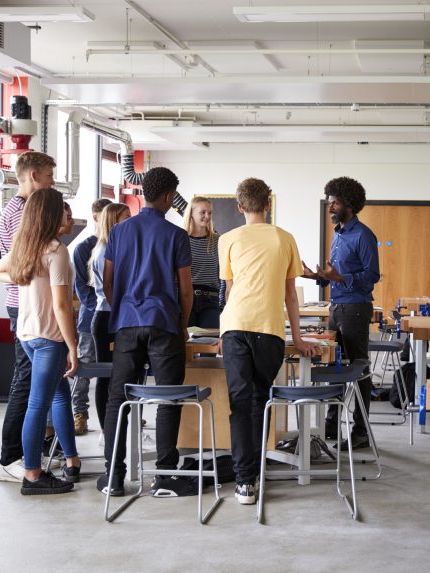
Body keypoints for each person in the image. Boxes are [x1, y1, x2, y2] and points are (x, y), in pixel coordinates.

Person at [219, 177, 317, 505]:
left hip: (235, 327)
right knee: (259, 401)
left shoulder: (229, 240)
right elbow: (291, 295)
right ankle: (255, 473)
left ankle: (244, 481)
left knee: (239, 403)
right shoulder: (285, 238)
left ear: (240, 207)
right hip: (269, 331)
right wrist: (299, 337)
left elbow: (231, 292)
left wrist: (223, 331)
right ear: (268, 204)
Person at [99, 167, 193, 496]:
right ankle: (164, 477)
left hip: (126, 323)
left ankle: (113, 477)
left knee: (117, 400)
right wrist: (181, 327)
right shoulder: (177, 236)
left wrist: (123, 308)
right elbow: (185, 291)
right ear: (168, 197)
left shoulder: (120, 232)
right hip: (164, 323)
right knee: (168, 398)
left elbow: (107, 281)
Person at [0, 188, 82, 495]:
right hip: (48, 337)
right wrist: (72, 345)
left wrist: (21, 277)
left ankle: (71, 460)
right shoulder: (56, 251)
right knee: (38, 404)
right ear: (51, 215)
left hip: (28, 334)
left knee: (57, 397)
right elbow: (61, 306)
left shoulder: (27, 247)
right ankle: (32, 474)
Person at [302, 177, 380, 450]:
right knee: (335, 366)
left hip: (356, 309)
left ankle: (360, 433)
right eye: (328, 201)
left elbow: (371, 277)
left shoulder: (363, 235)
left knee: (358, 369)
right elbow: (336, 276)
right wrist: (319, 277)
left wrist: (341, 277)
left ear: (349, 203)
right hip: (336, 308)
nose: (329, 206)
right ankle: (332, 427)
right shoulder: (339, 233)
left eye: (334, 202)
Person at [0, 151, 57, 483]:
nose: (51, 181)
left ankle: (35, 447)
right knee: (25, 381)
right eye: (49, 176)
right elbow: (18, 265)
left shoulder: (19, 210)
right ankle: (11, 457)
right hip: (25, 304)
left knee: (37, 383)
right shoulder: (22, 213)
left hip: (26, 302)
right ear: (33, 175)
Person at [70, 198, 112, 435]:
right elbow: (82, 289)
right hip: (91, 319)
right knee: (86, 365)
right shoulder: (83, 248)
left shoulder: (118, 244)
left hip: (113, 319)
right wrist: (101, 305)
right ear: (97, 217)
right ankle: (80, 414)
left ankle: (117, 412)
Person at [88, 203, 131, 433]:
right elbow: (110, 288)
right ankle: (108, 429)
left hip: (113, 315)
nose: (130, 221)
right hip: (106, 317)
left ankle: (116, 426)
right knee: (106, 375)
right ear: (115, 221)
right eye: (126, 217)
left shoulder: (114, 246)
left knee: (118, 375)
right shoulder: (106, 249)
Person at [183, 196, 221, 328]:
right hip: (185, 300)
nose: (207, 216)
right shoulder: (181, 240)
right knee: (185, 345)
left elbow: (223, 275)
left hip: (211, 301)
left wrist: (223, 305)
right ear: (191, 214)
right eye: (202, 212)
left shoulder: (217, 240)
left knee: (211, 345)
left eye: (209, 212)